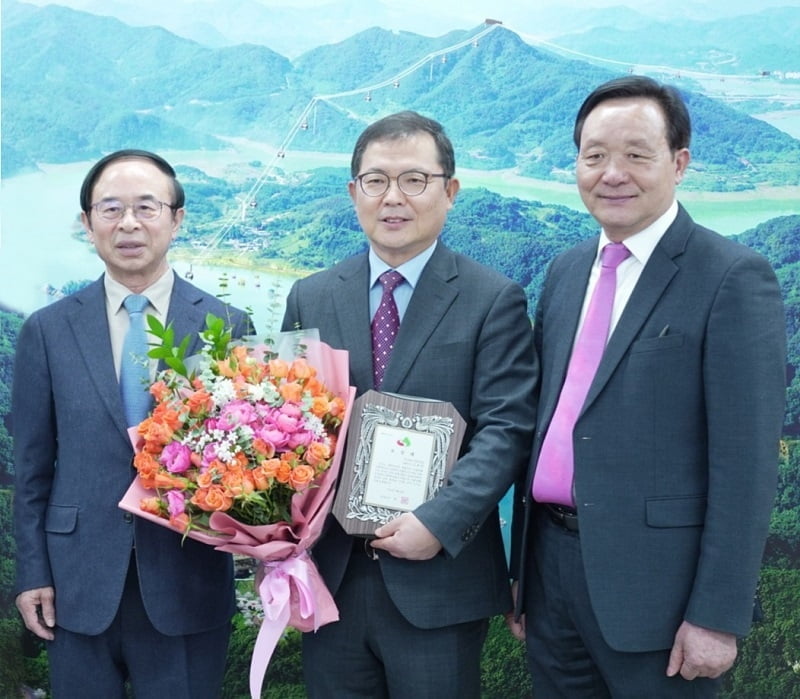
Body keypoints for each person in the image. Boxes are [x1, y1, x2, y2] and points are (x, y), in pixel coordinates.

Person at [508, 75, 787, 697]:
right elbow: (544, 421)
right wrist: (522, 575)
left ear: (679, 163)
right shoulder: (566, 269)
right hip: (551, 571)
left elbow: (746, 465)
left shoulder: (733, 278)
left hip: (660, 594)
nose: (613, 173)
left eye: (637, 154)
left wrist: (716, 614)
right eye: (595, 155)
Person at [282, 111, 538, 698]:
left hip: (439, 582)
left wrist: (438, 522)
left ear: (450, 191)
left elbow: (506, 428)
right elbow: (288, 423)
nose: (393, 198)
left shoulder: (492, 298)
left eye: (415, 180)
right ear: (353, 194)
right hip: (333, 581)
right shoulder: (312, 294)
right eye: (376, 181)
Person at [12, 149, 251, 697]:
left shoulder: (226, 324)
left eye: (146, 207)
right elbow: (31, 469)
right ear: (87, 222)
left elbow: (248, 454)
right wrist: (33, 573)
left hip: (187, 581)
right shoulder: (48, 331)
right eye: (110, 208)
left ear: (177, 219)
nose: (128, 224)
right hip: (76, 583)